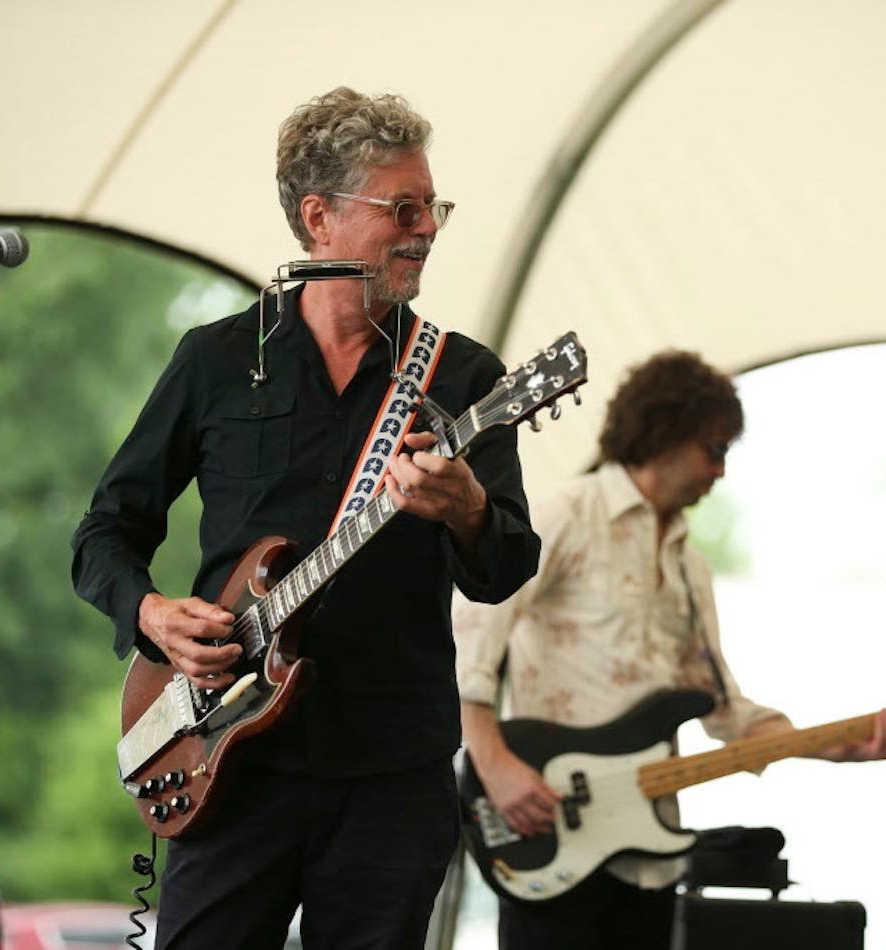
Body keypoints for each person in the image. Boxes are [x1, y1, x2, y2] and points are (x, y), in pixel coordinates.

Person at [70, 88, 541, 950]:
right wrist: (151, 613)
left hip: (391, 775)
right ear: (318, 217)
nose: (428, 225)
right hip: (225, 758)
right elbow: (105, 530)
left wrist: (469, 507)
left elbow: (507, 564)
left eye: (433, 204)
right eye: (403, 206)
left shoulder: (464, 376)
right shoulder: (215, 360)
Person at [452, 350, 886, 950]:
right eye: (713, 449)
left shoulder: (691, 565)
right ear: (664, 434)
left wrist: (831, 746)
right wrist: (493, 763)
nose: (720, 471)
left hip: (653, 853)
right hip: (550, 834)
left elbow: (723, 711)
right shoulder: (570, 512)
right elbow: (471, 630)